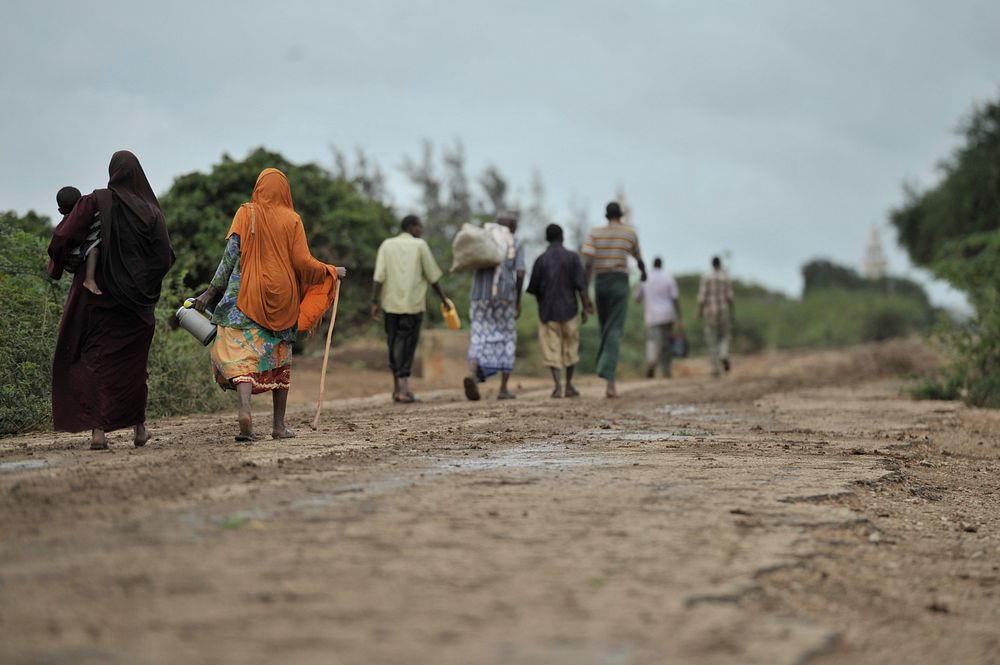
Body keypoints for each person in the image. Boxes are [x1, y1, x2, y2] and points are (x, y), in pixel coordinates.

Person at [193, 168, 345, 441]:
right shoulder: (293, 219)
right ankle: (278, 425)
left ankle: (244, 409)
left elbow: (229, 258)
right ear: (285, 191)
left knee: (242, 357)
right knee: (278, 354)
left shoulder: (246, 212)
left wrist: (209, 293)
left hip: (243, 295)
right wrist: (330, 271)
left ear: (259, 188)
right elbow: (302, 263)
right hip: (283, 298)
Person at [47, 151, 175, 450]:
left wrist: (68, 261)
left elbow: (63, 236)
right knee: (133, 367)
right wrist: (140, 285)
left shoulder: (96, 201)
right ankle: (140, 430)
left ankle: (98, 433)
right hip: (136, 306)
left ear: (112, 172)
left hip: (97, 300)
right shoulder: (152, 212)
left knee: (95, 362)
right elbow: (164, 257)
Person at [371, 214, 452, 403]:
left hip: (390, 305)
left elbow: (379, 276)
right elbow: (432, 276)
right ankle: (404, 390)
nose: (421, 230)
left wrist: (374, 301)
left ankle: (397, 388)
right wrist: (444, 298)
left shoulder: (387, 245)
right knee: (407, 345)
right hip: (413, 306)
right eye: (419, 227)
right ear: (412, 227)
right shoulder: (420, 245)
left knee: (393, 343)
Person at [582, 201, 646, 398]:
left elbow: (588, 262)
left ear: (605, 216)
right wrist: (644, 273)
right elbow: (639, 258)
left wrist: (585, 289)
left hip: (600, 282)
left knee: (605, 327)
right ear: (621, 215)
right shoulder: (629, 232)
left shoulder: (595, 233)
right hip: (619, 282)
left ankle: (605, 369)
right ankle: (609, 379)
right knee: (615, 328)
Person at [463, 210, 526, 401]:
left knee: (479, 335)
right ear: (512, 225)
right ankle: (503, 388)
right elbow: (521, 272)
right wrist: (517, 301)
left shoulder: (484, 238)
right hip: (504, 298)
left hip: (479, 296)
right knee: (507, 337)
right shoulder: (514, 241)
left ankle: (473, 374)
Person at [526, 223, 592, 398]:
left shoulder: (540, 260)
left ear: (547, 239)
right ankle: (569, 385)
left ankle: (557, 386)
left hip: (548, 312)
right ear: (562, 237)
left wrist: (542, 304)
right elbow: (581, 287)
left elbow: (533, 289)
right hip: (570, 309)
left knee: (551, 349)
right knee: (571, 347)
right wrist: (585, 307)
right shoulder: (573, 258)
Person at [635, 257, 683, 378]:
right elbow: (675, 299)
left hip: (652, 317)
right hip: (667, 316)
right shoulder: (668, 278)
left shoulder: (646, 278)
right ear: (662, 265)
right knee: (666, 343)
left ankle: (652, 364)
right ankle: (666, 371)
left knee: (653, 342)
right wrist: (679, 318)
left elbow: (637, 297)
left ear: (652, 265)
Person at [697, 256, 734, 377]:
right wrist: (732, 313)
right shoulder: (725, 277)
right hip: (723, 310)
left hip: (710, 312)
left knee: (712, 339)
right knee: (725, 336)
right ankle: (724, 354)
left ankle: (715, 368)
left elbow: (702, 298)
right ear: (720, 264)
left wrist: (699, 312)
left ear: (712, 264)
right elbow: (730, 298)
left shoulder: (706, 277)